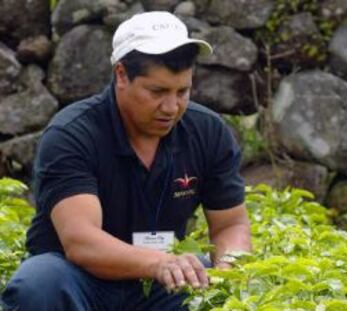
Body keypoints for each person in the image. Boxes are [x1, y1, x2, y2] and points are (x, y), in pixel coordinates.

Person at [1, 10, 251, 311]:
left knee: (207, 282)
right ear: (121, 75)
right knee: (39, 282)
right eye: (157, 91)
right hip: (81, 279)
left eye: (182, 91)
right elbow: (81, 241)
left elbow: (230, 224)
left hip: (160, 285)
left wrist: (228, 277)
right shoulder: (72, 134)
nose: (171, 107)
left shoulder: (207, 131)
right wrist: (158, 262)